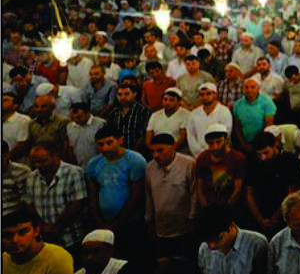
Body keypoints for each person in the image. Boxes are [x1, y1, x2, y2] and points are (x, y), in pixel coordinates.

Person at [86, 125, 147, 259]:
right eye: (100, 145)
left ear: (120, 140)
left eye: (109, 142)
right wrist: (99, 222)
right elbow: (93, 195)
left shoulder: (135, 161)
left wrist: (117, 223)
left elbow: (136, 195)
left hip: (131, 222)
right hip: (103, 222)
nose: (105, 148)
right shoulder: (93, 163)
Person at [23, 142, 88, 256]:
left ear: (55, 156)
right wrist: (42, 226)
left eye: (43, 161)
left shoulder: (74, 173)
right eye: (35, 162)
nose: (38, 165)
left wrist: (57, 228)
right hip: (42, 238)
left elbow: (77, 204)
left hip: (70, 236)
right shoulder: (32, 177)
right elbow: (29, 204)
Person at [245, 130, 300, 237]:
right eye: (259, 154)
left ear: (274, 146)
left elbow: (292, 193)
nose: (263, 157)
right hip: (259, 215)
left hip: (284, 215)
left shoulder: (289, 160)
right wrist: (260, 219)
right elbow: (249, 193)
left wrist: (274, 219)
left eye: (266, 153)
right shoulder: (252, 162)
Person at [194, 124, 246, 210]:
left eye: (218, 142)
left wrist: (225, 210)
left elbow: (238, 189)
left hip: (231, 208)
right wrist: (206, 208)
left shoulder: (238, 158)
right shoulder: (202, 158)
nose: (215, 147)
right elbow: (200, 188)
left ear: (225, 140)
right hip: (209, 207)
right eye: (211, 143)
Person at [186, 83, 233, 159]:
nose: (205, 97)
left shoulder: (224, 111)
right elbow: (191, 136)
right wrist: (200, 153)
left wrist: (214, 149)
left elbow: (226, 133)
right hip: (199, 155)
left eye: (208, 94)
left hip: (220, 154)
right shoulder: (194, 114)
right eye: (202, 95)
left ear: (215, 95)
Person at [232, 79, 277, 154]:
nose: (249, 90)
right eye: (246, 87)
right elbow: (238, 127)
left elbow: (268, 126)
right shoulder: (237, 104)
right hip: (244, 143)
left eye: (252, 87)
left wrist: (256, 144)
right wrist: (244, 144)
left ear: (258, 88)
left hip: (262, 143)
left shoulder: (267, 102)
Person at [145, 87, 188, 154]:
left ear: (179, 102)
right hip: (157, 151)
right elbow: (148, 137)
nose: (167, 102)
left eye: (171, 100)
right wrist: (153, 150)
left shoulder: (186, 115)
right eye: (165, 99)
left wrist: (168, 151)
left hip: (178, 152)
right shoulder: (155, 115)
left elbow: (183, 138)